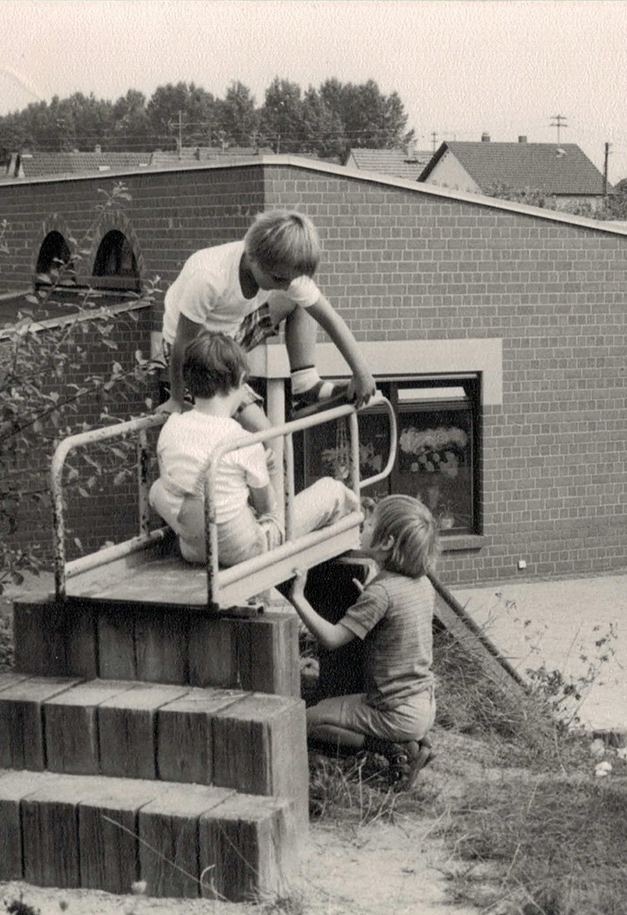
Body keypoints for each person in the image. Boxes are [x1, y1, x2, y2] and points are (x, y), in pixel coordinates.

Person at [148, 334, 358, 566]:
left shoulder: (172, 426)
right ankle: (358, 517)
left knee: (162, 487)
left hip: (193, 549)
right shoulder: (242, 441)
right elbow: (267, 508)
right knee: (332, 490)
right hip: (244, 551)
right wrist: (267, 472)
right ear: (239, 381)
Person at [158, 209, 377, 428]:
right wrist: (176, 399)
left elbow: (330, 319)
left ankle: (305, 383)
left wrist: (362, 373)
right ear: (252, 256)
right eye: (279, 279)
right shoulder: (209, 278)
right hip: (195, 349)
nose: (284, 286)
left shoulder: (281, 271)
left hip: (232, 332)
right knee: (264, 431)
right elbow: (183, 342)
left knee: (302, 301)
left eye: (288, 281)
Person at [284, 494, 439, 788]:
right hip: (424, 704)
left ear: (386, 543)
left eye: (370, 524)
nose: (363, 526)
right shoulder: (422, 584)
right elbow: (397, 622)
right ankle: (416, 741)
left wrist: (298, 598)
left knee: (307, 720)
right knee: (330, 704)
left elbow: (331, 639)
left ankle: (395, 750)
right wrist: (372, 594)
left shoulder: (380, 595)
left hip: (395, 712)